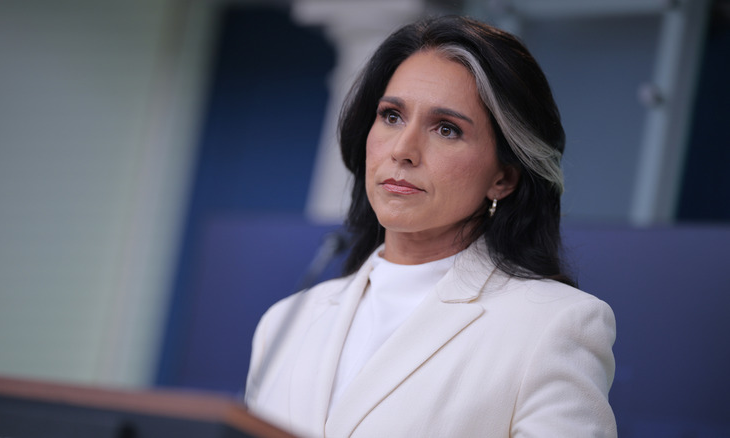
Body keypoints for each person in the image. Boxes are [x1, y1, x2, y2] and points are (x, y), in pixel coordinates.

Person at [245, 15, 616, 438]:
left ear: (503, 178)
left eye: (446, 129)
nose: (403, 150)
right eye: (391, 116)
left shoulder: (555, 324)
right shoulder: (286, 322)